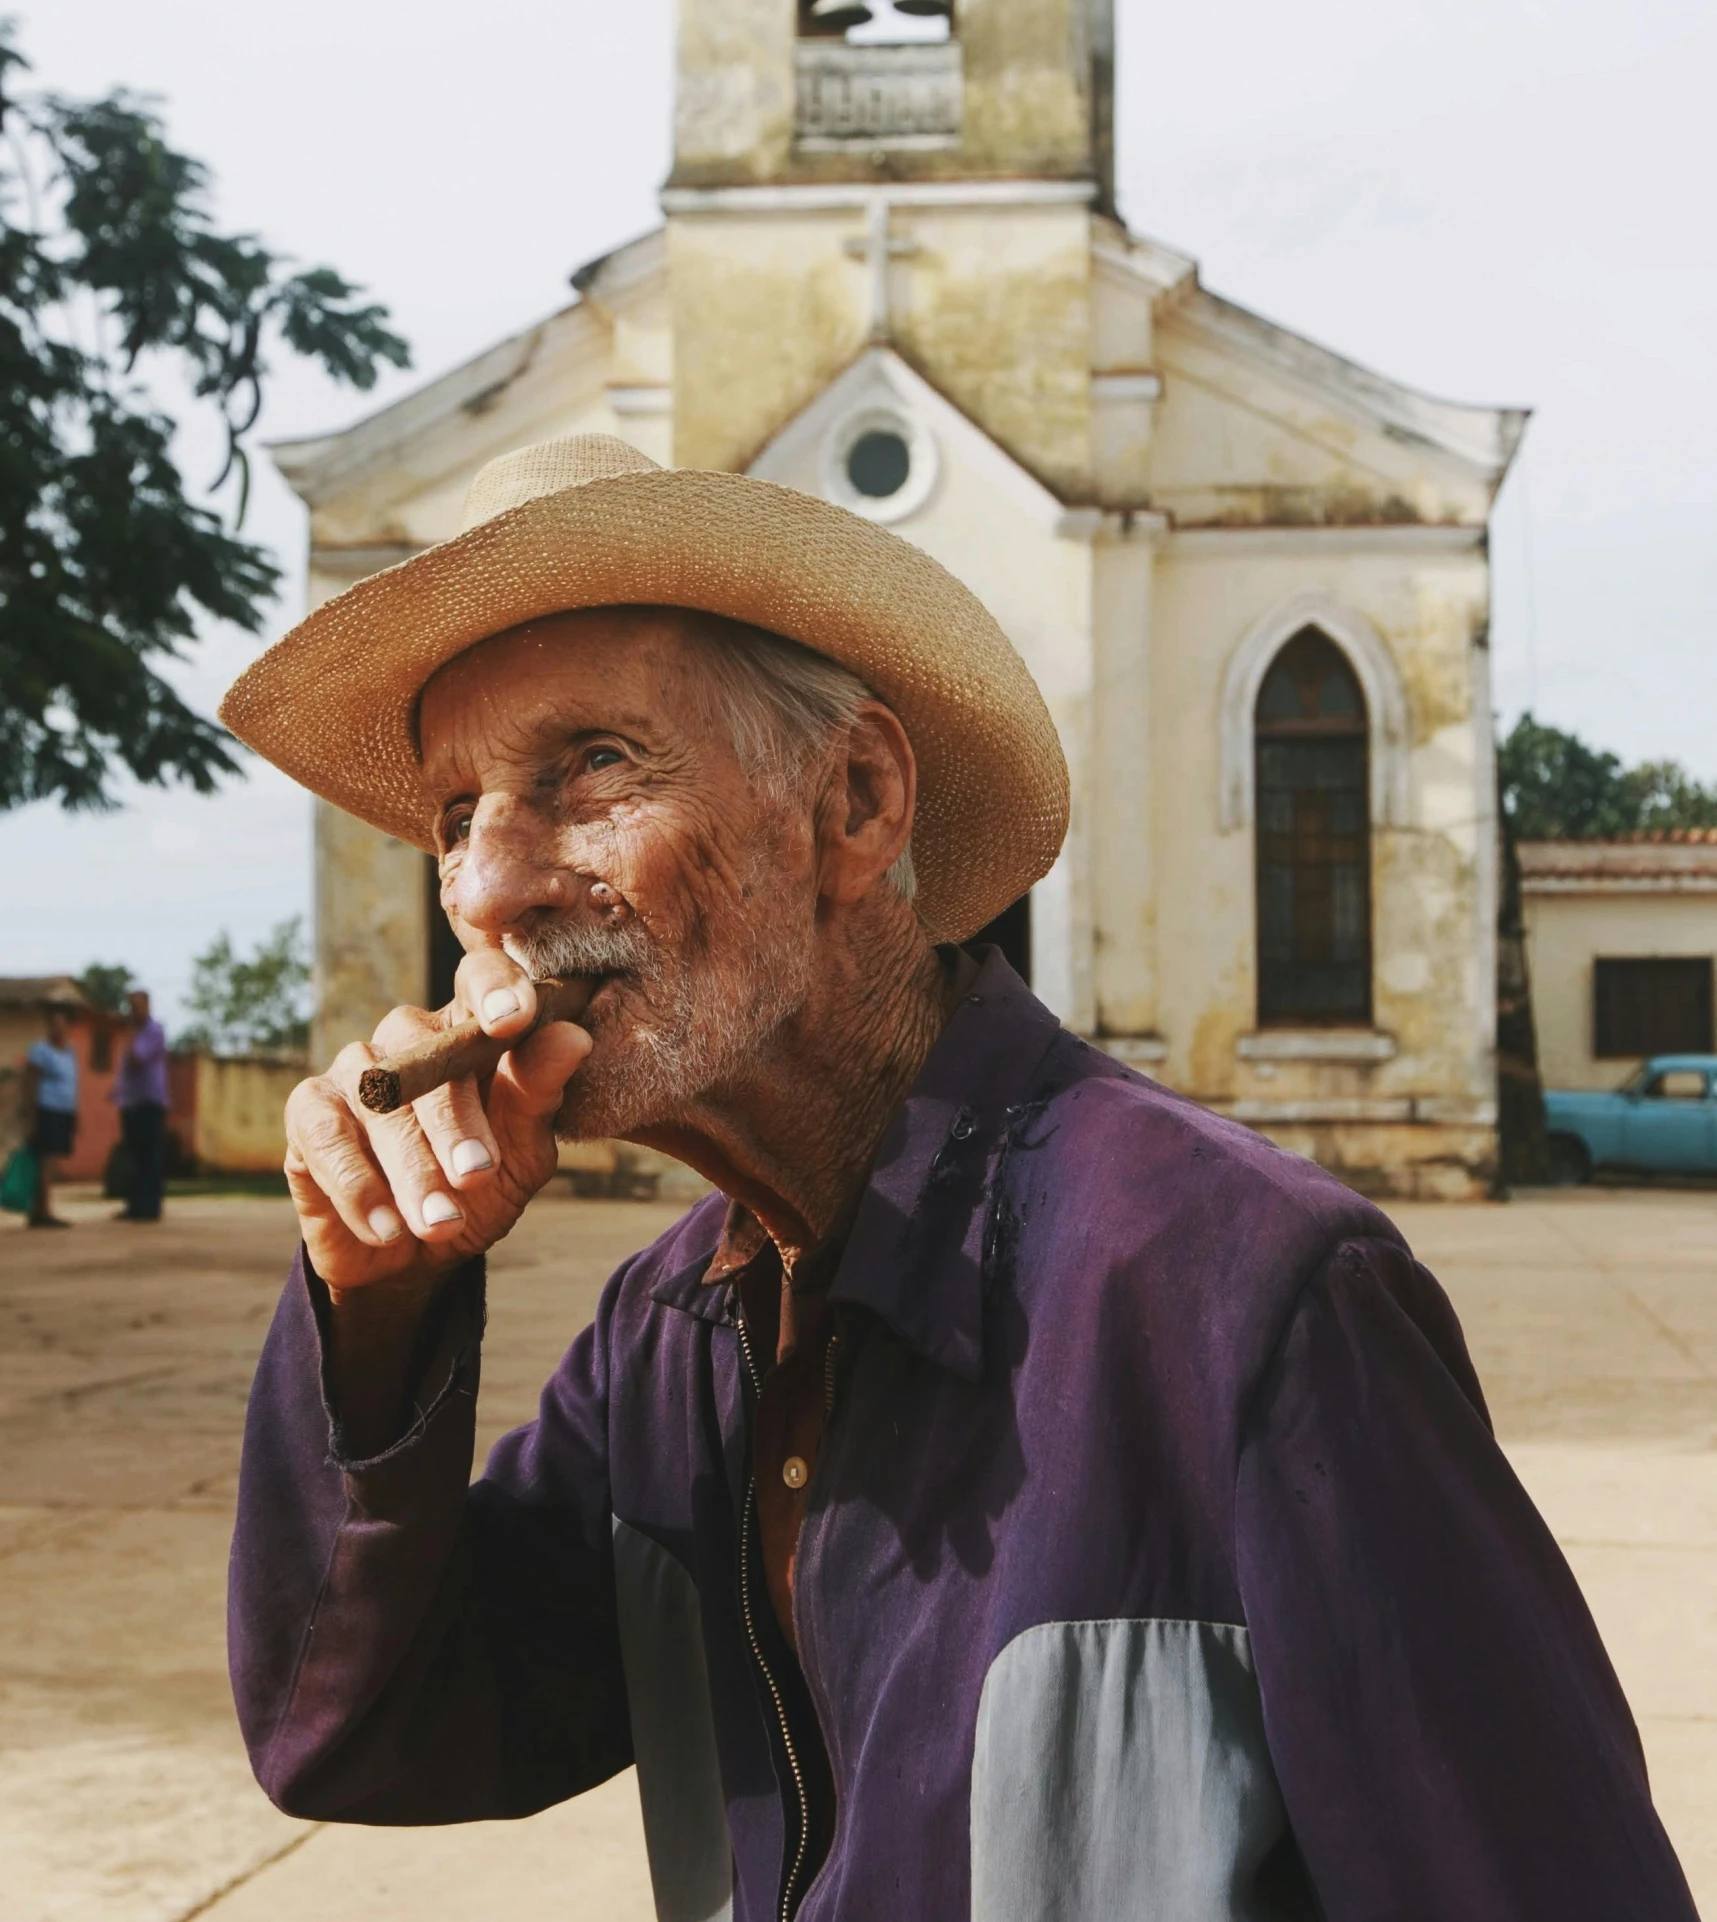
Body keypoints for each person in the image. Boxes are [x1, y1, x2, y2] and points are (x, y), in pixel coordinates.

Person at [220, 436, 1697, 1920]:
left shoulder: (1241, 1299)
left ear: (856, 799)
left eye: (590, 766)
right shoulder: (666, 1339)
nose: (482, 885)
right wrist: (377, 1311)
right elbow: (350, 1724)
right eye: (454, 814)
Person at [113, 989, 168, 1223]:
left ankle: (150, 1206)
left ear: (147, 1006)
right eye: (130, 1006)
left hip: (149, 1101)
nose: (132, 1011)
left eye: (136, 1006)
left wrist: (130, 1034)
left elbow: (136, 1060)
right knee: (134, 1155)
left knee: (149, 1155)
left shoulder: (152, 1031)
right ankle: (135, 1205)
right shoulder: (134, 1033)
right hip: (131, 1101)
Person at [22, 1003, 79, 1229]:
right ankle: (42, 1210)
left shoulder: (70, 1051)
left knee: (54, 1159)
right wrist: (31, 1113)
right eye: (54, 1024)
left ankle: (40, 1208)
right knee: (45, 1159)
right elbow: (30, 1082)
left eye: (62, 1024)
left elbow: (73, 1082)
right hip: (46, 1108)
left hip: (64, 1110)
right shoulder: (40, 1050)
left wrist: (75, 1111)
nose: (58, 1028)